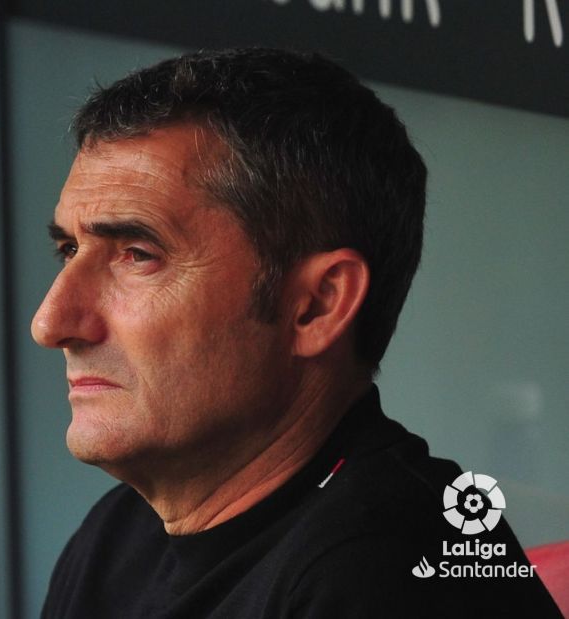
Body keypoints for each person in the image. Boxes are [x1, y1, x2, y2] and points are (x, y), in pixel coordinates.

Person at [30, 48, 561, 618]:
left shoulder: (387, 578)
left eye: (138, 255)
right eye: (69, 249)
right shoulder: (119, 538)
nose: (51, 322)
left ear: (316, 305)